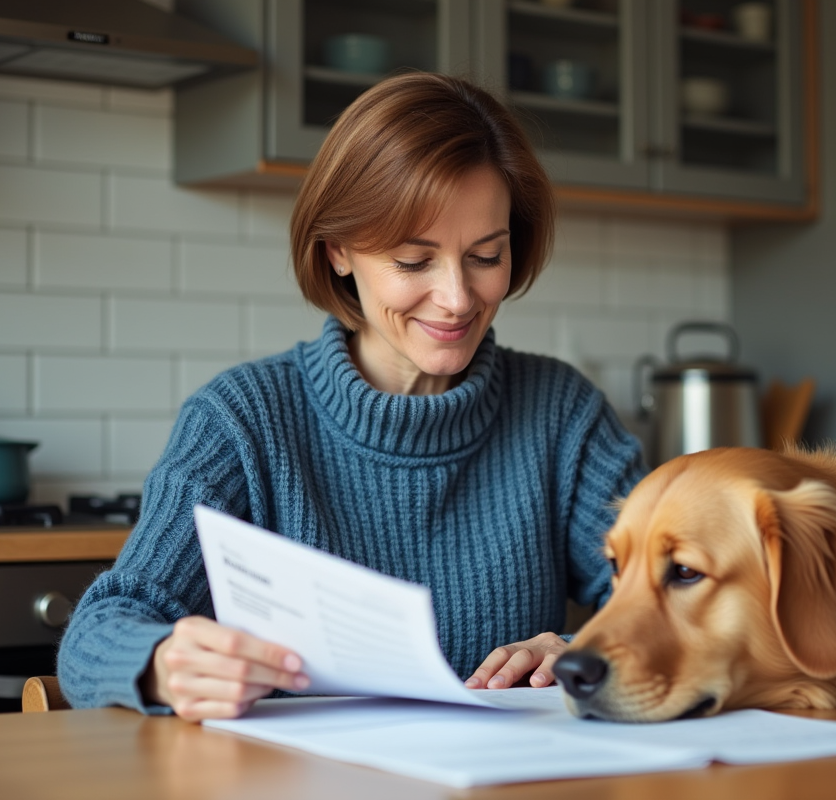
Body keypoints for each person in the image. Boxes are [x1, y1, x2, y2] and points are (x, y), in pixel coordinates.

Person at [57, 72, 647, 721]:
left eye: (486, 255)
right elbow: (97, 634)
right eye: (414, 261)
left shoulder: (562, 413)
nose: (456, 297)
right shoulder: (242, 421)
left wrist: (572, 649)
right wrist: (163, 665)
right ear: (339, 249)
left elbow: (669, 609)